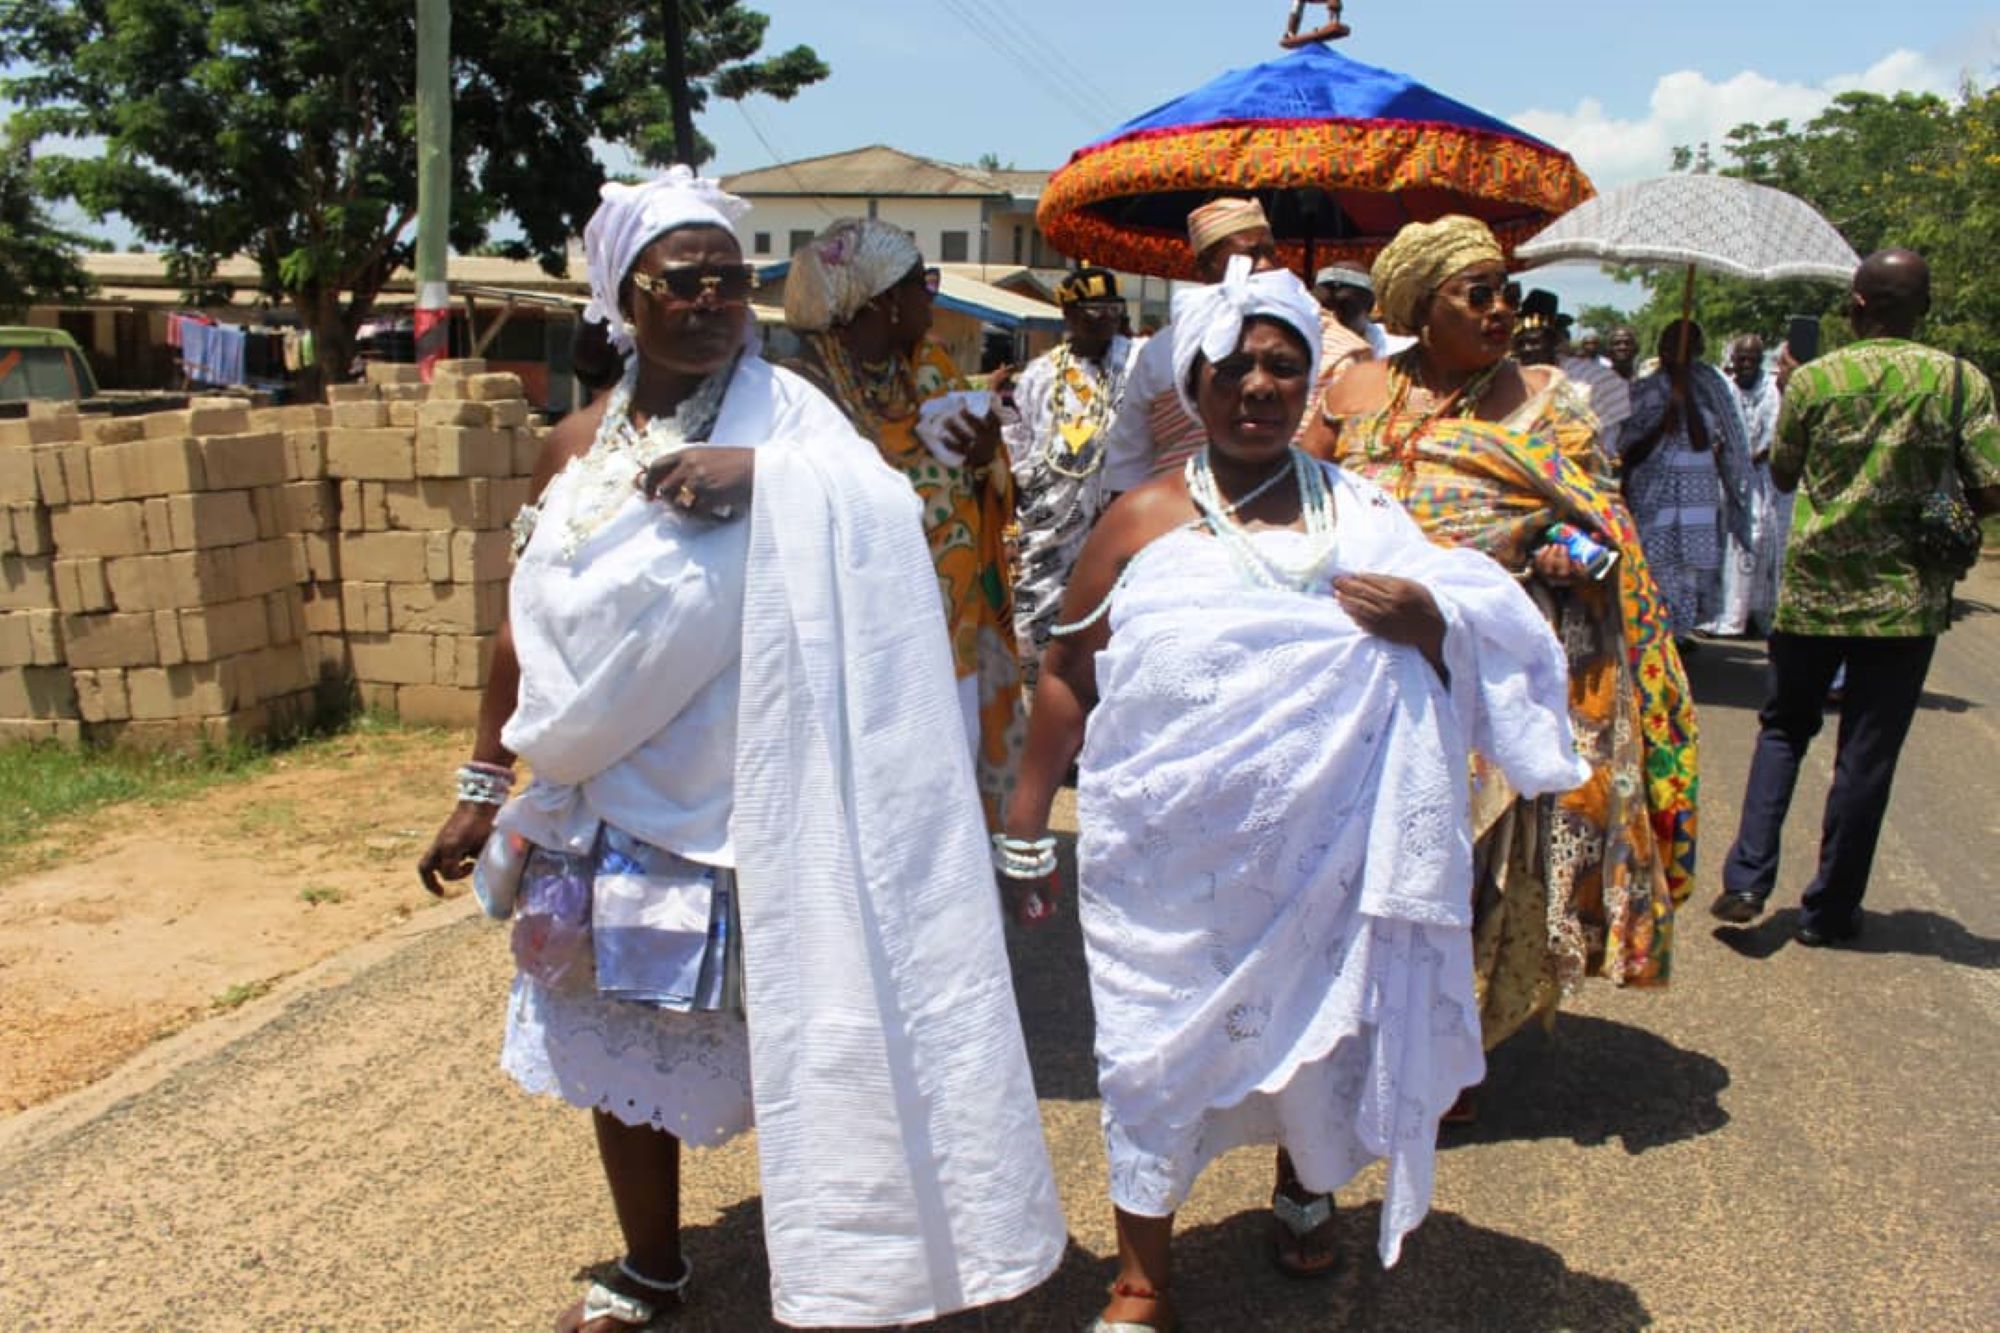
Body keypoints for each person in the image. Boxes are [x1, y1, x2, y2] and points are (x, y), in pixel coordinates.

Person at [415, 169, 1065, 1331]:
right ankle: (651, 1265)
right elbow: (525, 615)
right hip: (611, 798)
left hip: (769, 798)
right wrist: (482, 781)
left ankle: (861, 1265)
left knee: (829, 1034)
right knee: (621, 1035)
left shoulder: (795, 421)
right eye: (685, 279)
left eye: (730, 278)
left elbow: (883, 514)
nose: (715, 299)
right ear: (625, 296)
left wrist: (765, 477)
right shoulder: (572, 443)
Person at [1001, 255, 1587, 1331]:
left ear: (1308, 380)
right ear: (1194, 385)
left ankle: (1303, 1185)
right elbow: (1064, 671)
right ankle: (1141, 1277)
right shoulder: (1136, 519)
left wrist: (1428, 622)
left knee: (1318, 1034)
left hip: (1326, 851)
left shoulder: (1363, 515)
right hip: (1163, 867)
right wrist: (1026, 820)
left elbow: (1477, 622)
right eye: (1232, 368)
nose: (1257, 386)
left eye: (1280, 365)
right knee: (1145, 1052)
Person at [1303, 216, 1698, 1059]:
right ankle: (1361, 1022)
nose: (1500, 310)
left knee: (1472, 861)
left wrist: (1551, 553)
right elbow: (1299, 500)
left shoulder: (1549, 399)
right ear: (1417, 305)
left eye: (1506, 293)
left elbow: (1602, 527)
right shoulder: (1352, 392)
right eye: (1476, 293)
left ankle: (1455, 1044)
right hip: (1363, 654)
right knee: (1364, 847)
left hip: (1489, 663)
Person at [1713, 250, 2000, 944]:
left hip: (1814, 592)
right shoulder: (1961, 382)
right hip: (1905, 604)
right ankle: (1831, 911)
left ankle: (1748, 877)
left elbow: (1780, 478)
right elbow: (1991, 487)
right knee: (1865, 757)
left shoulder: (1814, 380)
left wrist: (1797, 395)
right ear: (1924, 307)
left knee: (1784, 729)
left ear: (1856, 305)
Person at [781, 218, 1024, 823]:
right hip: (862, 648)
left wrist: (984, 456)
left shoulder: (930, 369)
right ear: (886, 301)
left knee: (946, 811)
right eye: (924, 284)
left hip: (959, 642)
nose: (931, 298)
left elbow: (982, 487)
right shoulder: (801, 393)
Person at [1102, 197, 1369, 490]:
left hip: (1300, 509)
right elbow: (1128, 462)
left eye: (1270, 252)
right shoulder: (1161, 351)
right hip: (1182, 513)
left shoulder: (1325, 336)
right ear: (1205, 268)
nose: (1266, 265)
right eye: (1249, 255)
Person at [1000, 266, 1141, 679]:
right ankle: (1042, 692)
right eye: (1094, 310)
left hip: (1120, 516)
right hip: (1051, 523)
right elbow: (1016, 445)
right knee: (1036, 621)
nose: (1107, 318)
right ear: (1070, 315)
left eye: (1113, 308)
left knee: (1116, 617)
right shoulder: (1040, 374)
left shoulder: (1138, 363)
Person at [1617, 320, 1755, 642]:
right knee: (1655, 563)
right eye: (1667, 346)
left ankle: (1678, 636)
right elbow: (1627, 452)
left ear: (1697, 350)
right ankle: (1653, 634)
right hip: (1653, 493)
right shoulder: (1643, 389)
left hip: (1697, 494)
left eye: (1682, 347)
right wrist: (1661, 424)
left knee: (1689, 569)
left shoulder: (1712, 387)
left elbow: (1703, 440)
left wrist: (1684, 394)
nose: (1672, 354)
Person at [1726, 333, 1787, 634]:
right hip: (1726, 474)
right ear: (1732, 359)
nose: (1746, 363)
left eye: (1753, 358)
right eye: (1741, 358)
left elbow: (1774, 434)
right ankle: (1728, 615)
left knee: (1758, 535)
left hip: (1760, 477)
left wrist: (1750, 457)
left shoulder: (1772, 390)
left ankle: (1755, 612)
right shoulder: (1724, 387)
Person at [1514, 289, 1631, 440]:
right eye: (1521, 343)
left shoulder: (1592, 377)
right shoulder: (1508, 380)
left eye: (1534, 342)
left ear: (1554, 342)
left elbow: (1611, 431)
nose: (1527, 349)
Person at [1314, 262, 1409, 360]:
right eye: (1323, 310)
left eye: (1345, 309)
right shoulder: (1303, 345)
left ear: (1369, 307)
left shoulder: (1398, 351)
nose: (1332, 317)